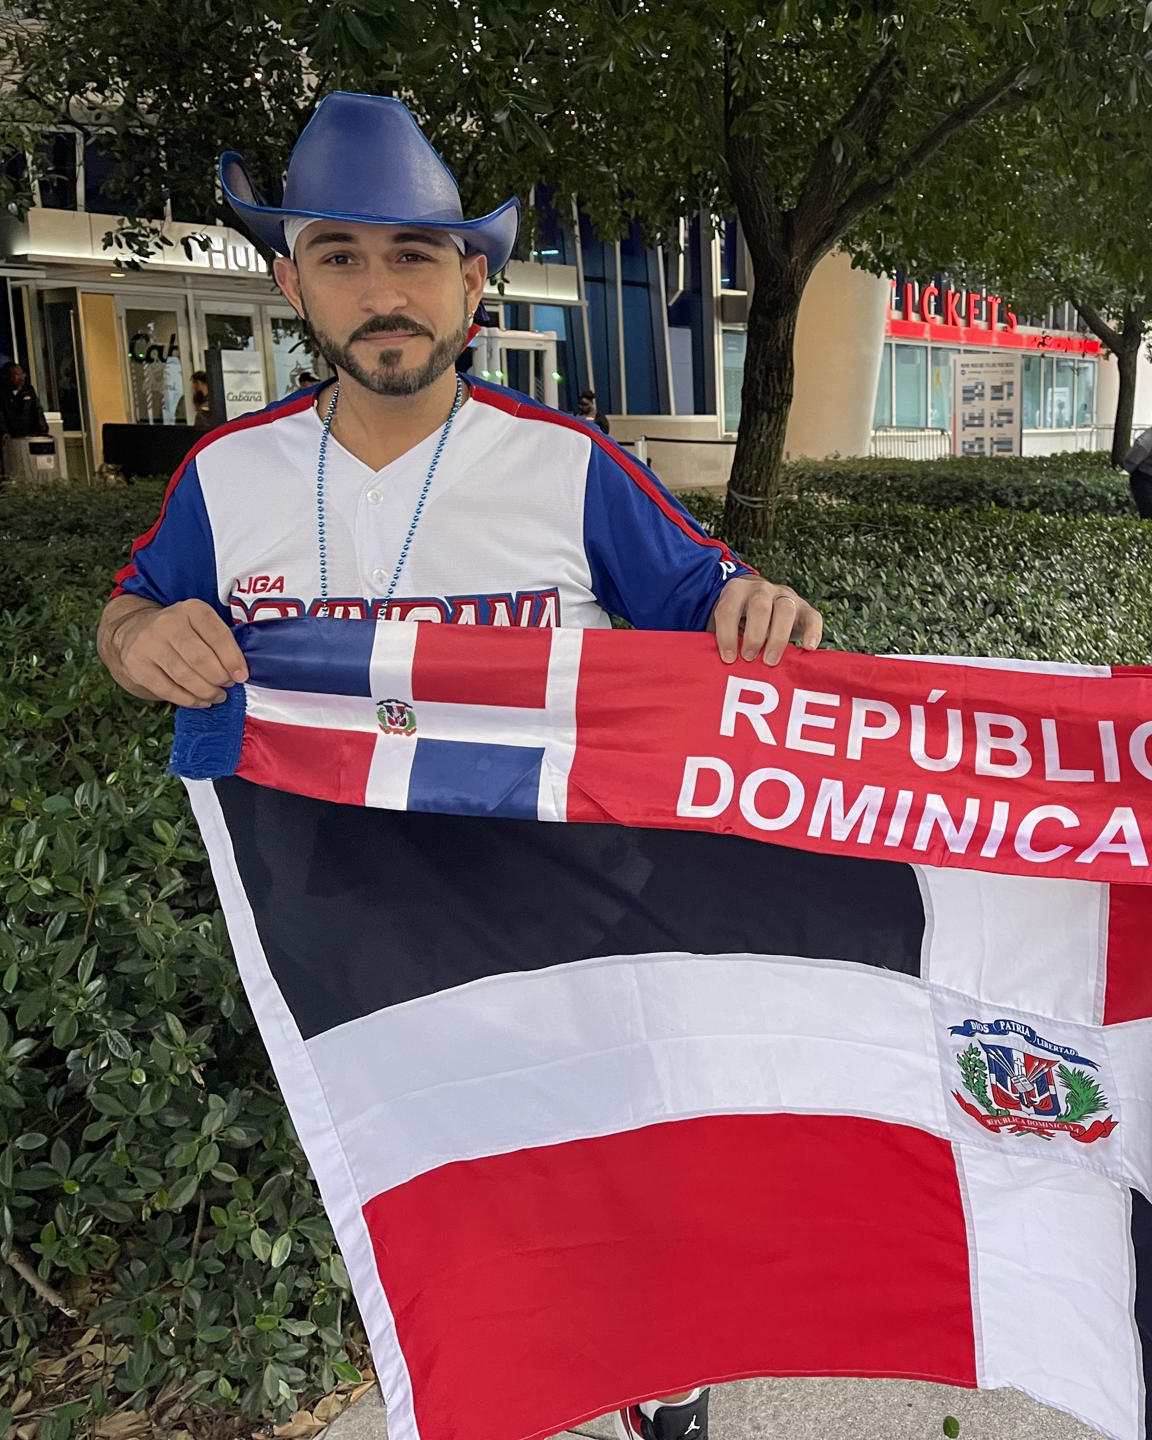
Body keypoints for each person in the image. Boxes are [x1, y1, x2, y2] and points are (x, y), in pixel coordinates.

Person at [95, 93, 819, 1440]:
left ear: (472, 282)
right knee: (446, 1216)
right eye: (343, 256)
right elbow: (129, 614)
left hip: (575, 922)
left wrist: (753, 608)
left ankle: (666, 1386)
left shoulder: (568, 466)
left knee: (620, 1190)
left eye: (415, 256)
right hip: (356, 945)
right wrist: (141, 639)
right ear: (289, 277)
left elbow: (711, 604)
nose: (382, 292)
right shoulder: (225, 478)